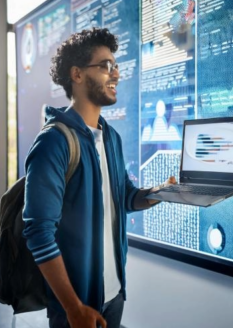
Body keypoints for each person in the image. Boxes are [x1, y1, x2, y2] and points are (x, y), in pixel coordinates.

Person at [22, 27, 176, 328]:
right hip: (76, 306)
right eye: (105, 66)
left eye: (115, 66)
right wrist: (73, 307)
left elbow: (126, 197)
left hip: (114, 295)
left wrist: (162, 192)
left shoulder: (111, 138)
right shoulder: (54, 142)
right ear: (77, 75)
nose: (115, 74)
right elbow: (38, 233)